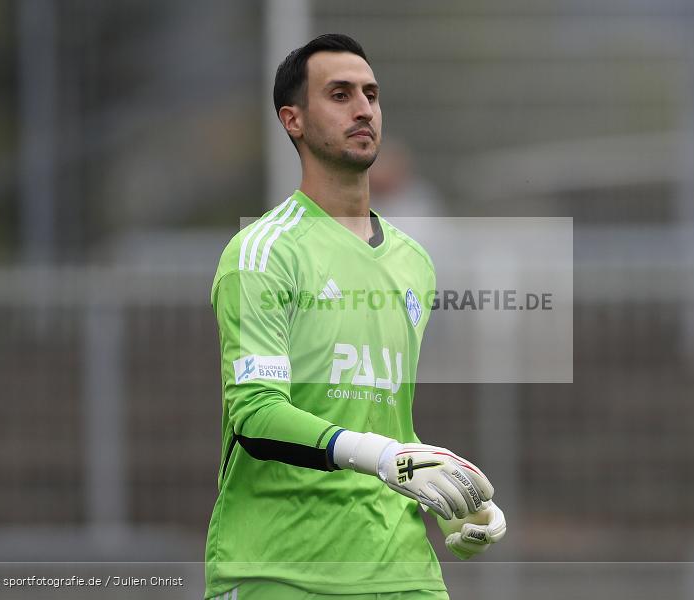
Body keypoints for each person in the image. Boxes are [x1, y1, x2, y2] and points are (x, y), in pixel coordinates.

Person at [204, 34, 506, 600]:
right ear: (293, 120)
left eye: (371, 94)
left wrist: (452, 501)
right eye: (339, 94)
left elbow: (386, 422)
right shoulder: (264, 253)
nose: (363, 108)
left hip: (403, 574)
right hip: (282, 573)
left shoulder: (414, 263)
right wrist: (387, 456)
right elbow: (256, 415)